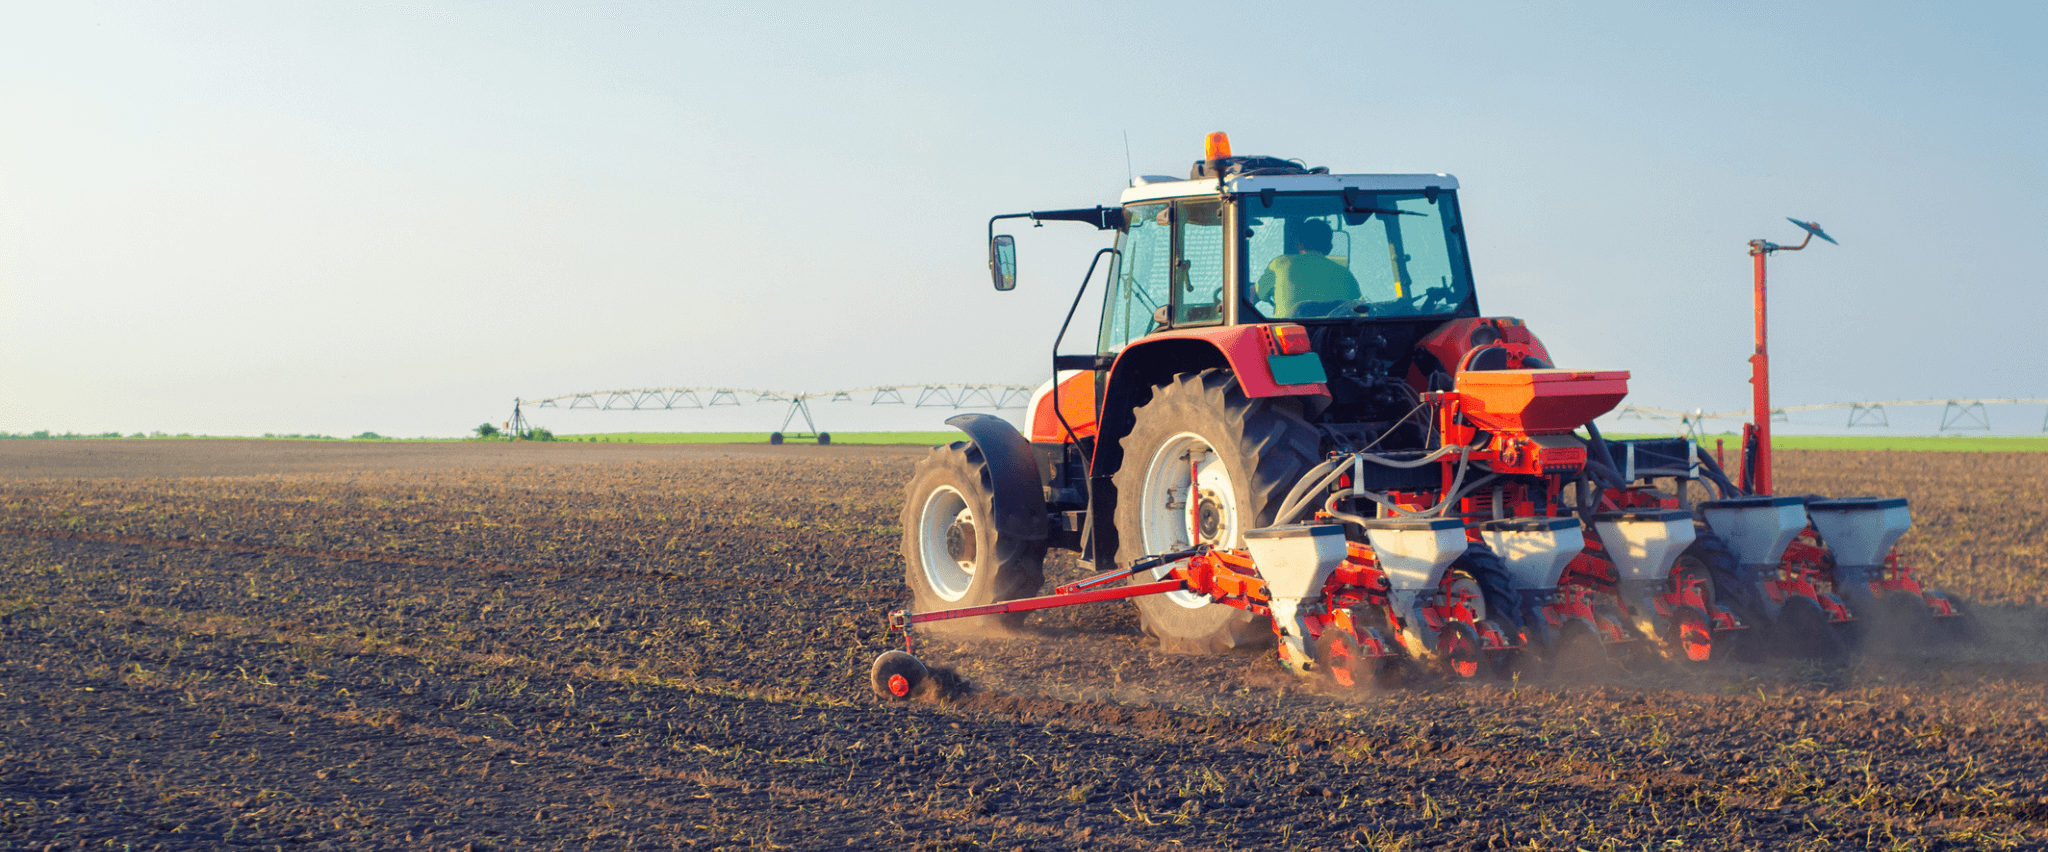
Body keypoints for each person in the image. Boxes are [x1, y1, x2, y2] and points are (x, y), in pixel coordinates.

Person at [1254, 218, 1360, 316]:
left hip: (1284, 335)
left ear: (1299, 244)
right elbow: (1358, 310)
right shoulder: (1346, 276)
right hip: (1332, 336)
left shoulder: (1280, 264)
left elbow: (1255, 295)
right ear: (1329, 248)